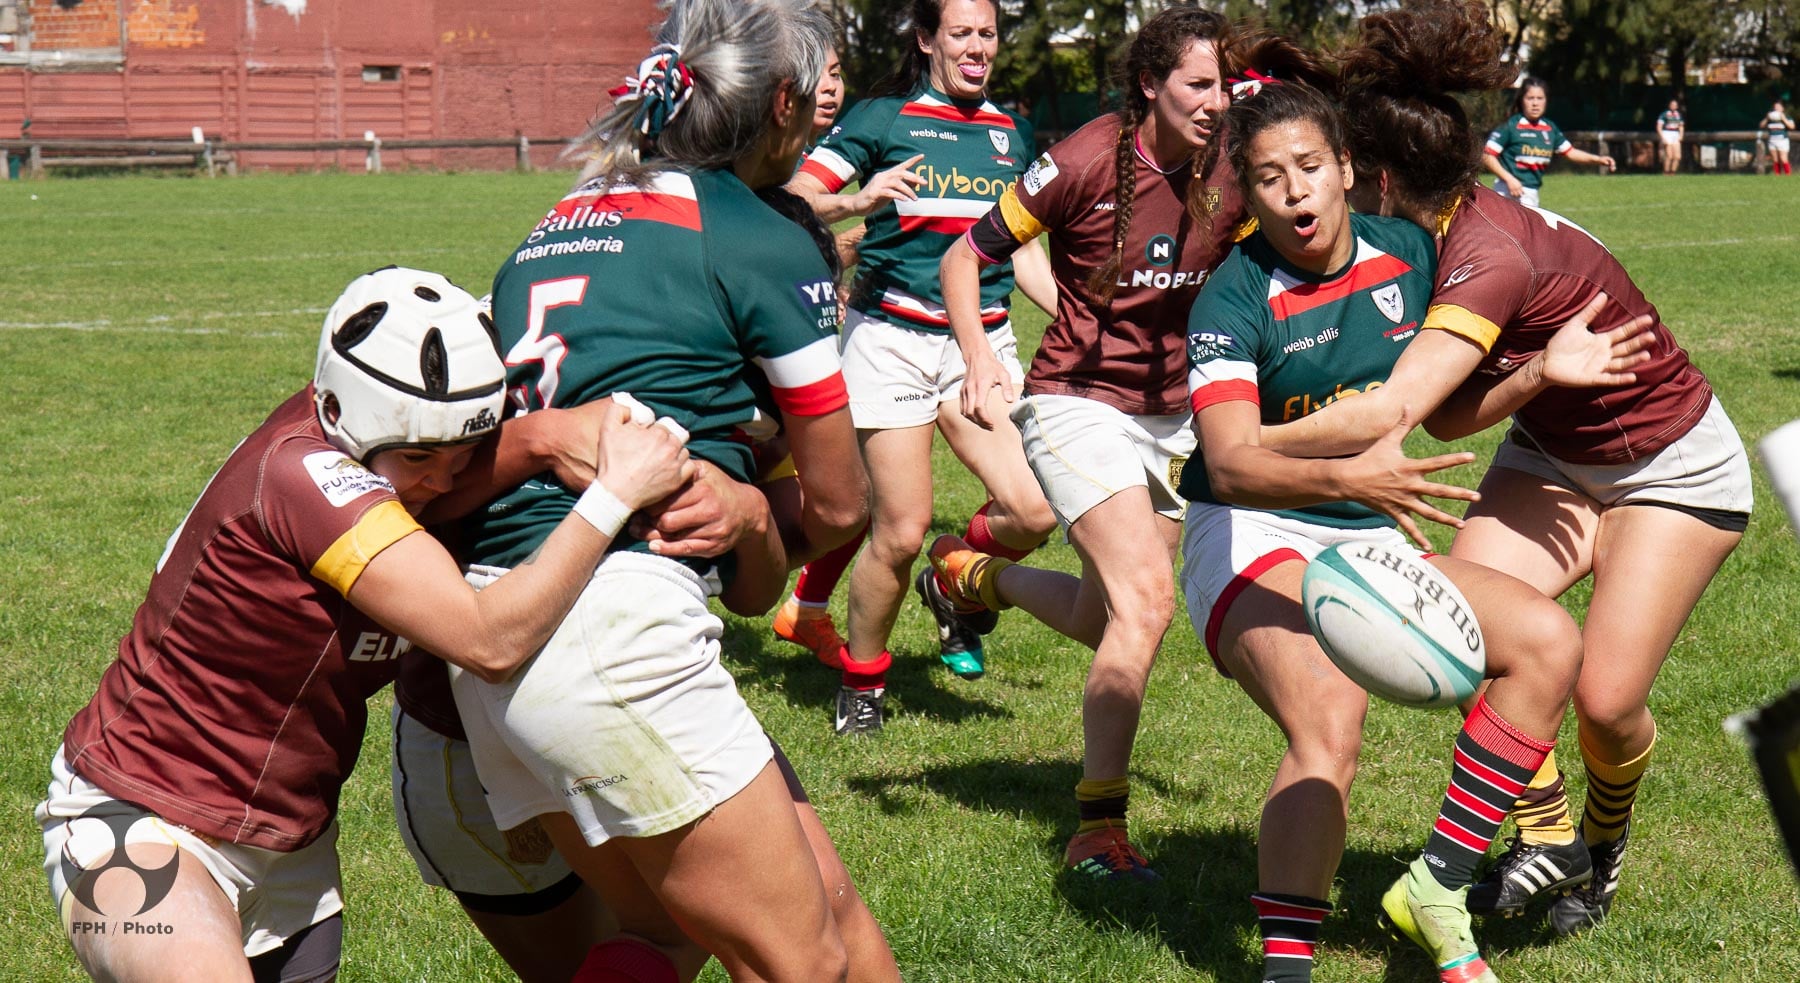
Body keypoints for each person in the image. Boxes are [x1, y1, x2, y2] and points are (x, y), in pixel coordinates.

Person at [36, 266, 696, 983]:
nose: (443, 482)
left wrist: (533, 437)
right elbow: (489, 640)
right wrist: (612, 494)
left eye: (461, 455)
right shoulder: (308, 475)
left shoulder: (371, 437)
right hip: (136, 818)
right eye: (419, 457)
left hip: (290, 843)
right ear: (344, 416)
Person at [1272, 0, 1752, 945]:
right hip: (1551, 454)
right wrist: (1538, 375)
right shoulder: (1429, 234)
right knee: (1465, 628)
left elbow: (1396, 414)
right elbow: (1452, 410)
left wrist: (1230, 445)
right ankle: (1548, 838)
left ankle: (1597, 851)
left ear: (1374, 176)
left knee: (1607, 703)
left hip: (1672, 467)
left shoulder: (1484, 256)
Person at [451, 1, 885, 980]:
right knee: (803, 957)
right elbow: (843, 506)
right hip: (615, 622)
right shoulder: (755, 233)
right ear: (780, 101)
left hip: (498, 634)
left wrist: (744, 526)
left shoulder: (552, 223)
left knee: (678, 932)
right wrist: (753, 522)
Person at [1175, 76, 1585, 983]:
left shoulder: (1407, 251)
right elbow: (1232, 459)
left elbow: (1444, 411)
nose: (1296, 193)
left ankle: (1436, 885)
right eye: (1270, 177)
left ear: (1347, 168)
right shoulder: (1232, 298)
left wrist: (1541, 374)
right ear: (1246, 190)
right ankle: (1287, 969)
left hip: (1369, 529)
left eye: (1311, 168)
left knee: (1548, 642)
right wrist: (1347, 472)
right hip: (1248, 531)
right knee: (1330, 717)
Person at [929, 5, 1248, 881]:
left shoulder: (1233, 167)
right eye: (1197, 84)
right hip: (1076, 403)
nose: (1217, 102)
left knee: (1100, 614)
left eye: (1223, 84)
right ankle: (1095, 831)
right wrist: (978, 363)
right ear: (1151, 84)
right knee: (1147, 603)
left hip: (1176, 415)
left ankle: (968, 575)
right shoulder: (1078, 160)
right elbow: (965, 257)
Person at [788, 0, 1059, 733]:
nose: (977, 48)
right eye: (962, 33)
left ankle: (956, 580)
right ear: (928, 40)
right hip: (891, 340)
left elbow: (1023, 244)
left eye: (988, 34)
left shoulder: (1010, 133)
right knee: (900, 530)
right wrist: (860, 198)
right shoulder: (882, 120)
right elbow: (793, 199)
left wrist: (1070, 309)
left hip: (985, 341)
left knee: (1035, 508)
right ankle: (864, 681)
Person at [771, 41, 871, 665]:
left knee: (856, 495)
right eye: (818, 77)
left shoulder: (820, 156)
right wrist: (861, 227)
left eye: (837, 74)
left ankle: (805, 610)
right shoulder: (760, 156)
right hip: (754, 364)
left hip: (804, 346)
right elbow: (775, 229)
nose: (831, 89)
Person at [1482, 75, 1614, 208]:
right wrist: (1509, 179)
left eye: (1540, 98)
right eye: (1530, 98)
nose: (1535, 103)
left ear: (1546, 101)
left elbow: (1570, 152)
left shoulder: (1550, 128)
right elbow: (1487, 155)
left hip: (1530, 192)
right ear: (1522, 100)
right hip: (1506, 190)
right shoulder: (1511, 126)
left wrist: (1598, 159)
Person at [1761, 99, 1794, 175]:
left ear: (1782, 108)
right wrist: (1767, 118)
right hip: (1772, 140)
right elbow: (1761, 125)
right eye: (1775, 107)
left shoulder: (1787, 117)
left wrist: (1783, 118)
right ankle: (1777, 175)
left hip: (1782, 140)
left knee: (1783, 159)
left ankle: (1788, 175)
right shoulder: (1770, 119)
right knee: (1775, 160)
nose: (1776, 109)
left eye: (1778, 107)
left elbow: (1792, 126)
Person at [1655, 98, 1683, 175]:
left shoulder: (1678, 115)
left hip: (1675, 134)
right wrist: (1662, 137)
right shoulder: (1664, 114)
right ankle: (1666, 172)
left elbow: (1681, 126)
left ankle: (1673, 172)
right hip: (1667, 133)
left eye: (1675, 105)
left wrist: (1681, 135)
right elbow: (1659, 126)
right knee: (1669, 155)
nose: (1673, 106)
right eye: (1672, 105)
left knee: (1677, 156)